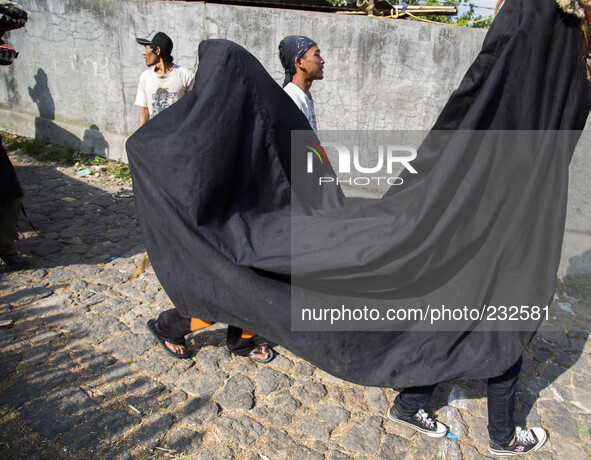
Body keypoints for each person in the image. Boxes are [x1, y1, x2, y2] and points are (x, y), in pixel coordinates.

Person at [134, 32, 194, 127]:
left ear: (157, 50)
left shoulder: (184, 75)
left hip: (176, 136)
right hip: (154, 136)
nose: (144, 53)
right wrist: (140, 138)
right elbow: (144, 111)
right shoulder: (145, 77)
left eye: (146, 48)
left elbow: (194, 108)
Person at [279, 35, 324, 132]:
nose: (322, 61)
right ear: (299, 62)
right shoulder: (292, 99)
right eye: (316, 55)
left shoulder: (304, 96)